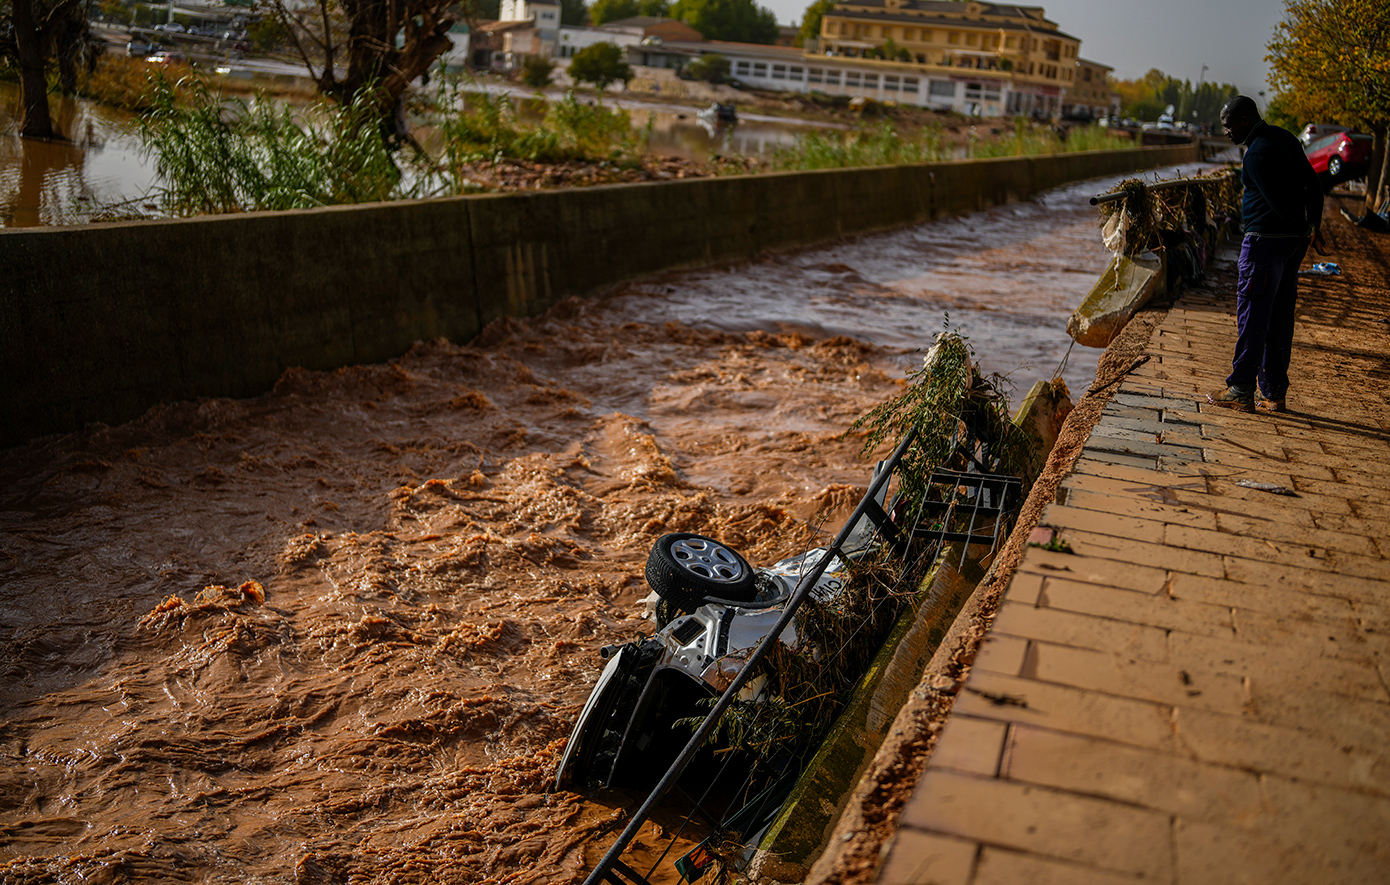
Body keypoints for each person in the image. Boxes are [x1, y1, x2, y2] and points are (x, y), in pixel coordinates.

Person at [1207, 94, 1325, 413]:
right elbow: (1313, 185)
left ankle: (1242, 388)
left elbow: (1279, 204)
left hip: (1263, 243)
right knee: (1280, 316)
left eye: (1228, 125)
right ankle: (1273, 392)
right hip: (1291, 245)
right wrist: (1310, 224)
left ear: (1245, 121)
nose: (1227, 132)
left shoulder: (1256, 155)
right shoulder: (1284, 138)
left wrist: (1296, 222)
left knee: (1253, 314)